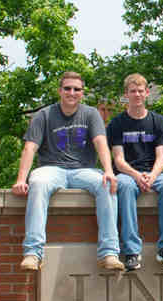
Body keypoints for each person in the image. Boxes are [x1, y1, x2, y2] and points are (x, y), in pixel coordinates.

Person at [10, 70, 122, 273]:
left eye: (76, 89)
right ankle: (33, 253)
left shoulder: (91, 114)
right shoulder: (43, 115)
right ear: (59, 91)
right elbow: (30, 148)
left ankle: (109, 252)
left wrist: (108, 171)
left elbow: (101, 143)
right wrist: (21, 179)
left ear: (82, 93)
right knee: (38, 183)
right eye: (67, 88)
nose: (72, 92)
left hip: (83, 170)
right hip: (51, 169)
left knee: (106, 184)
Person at [107, 72, 163, 270]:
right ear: (126, 95)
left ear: (147, 93)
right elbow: (118, 160)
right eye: (132, 91)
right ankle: (131, 251)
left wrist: (153, 176)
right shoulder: (116, 124)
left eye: (140, 91)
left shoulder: (158, 122)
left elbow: (161, 157)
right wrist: (137, 176)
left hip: (153, 172)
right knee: (124, 186)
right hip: (128, 173)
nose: (137, 95)